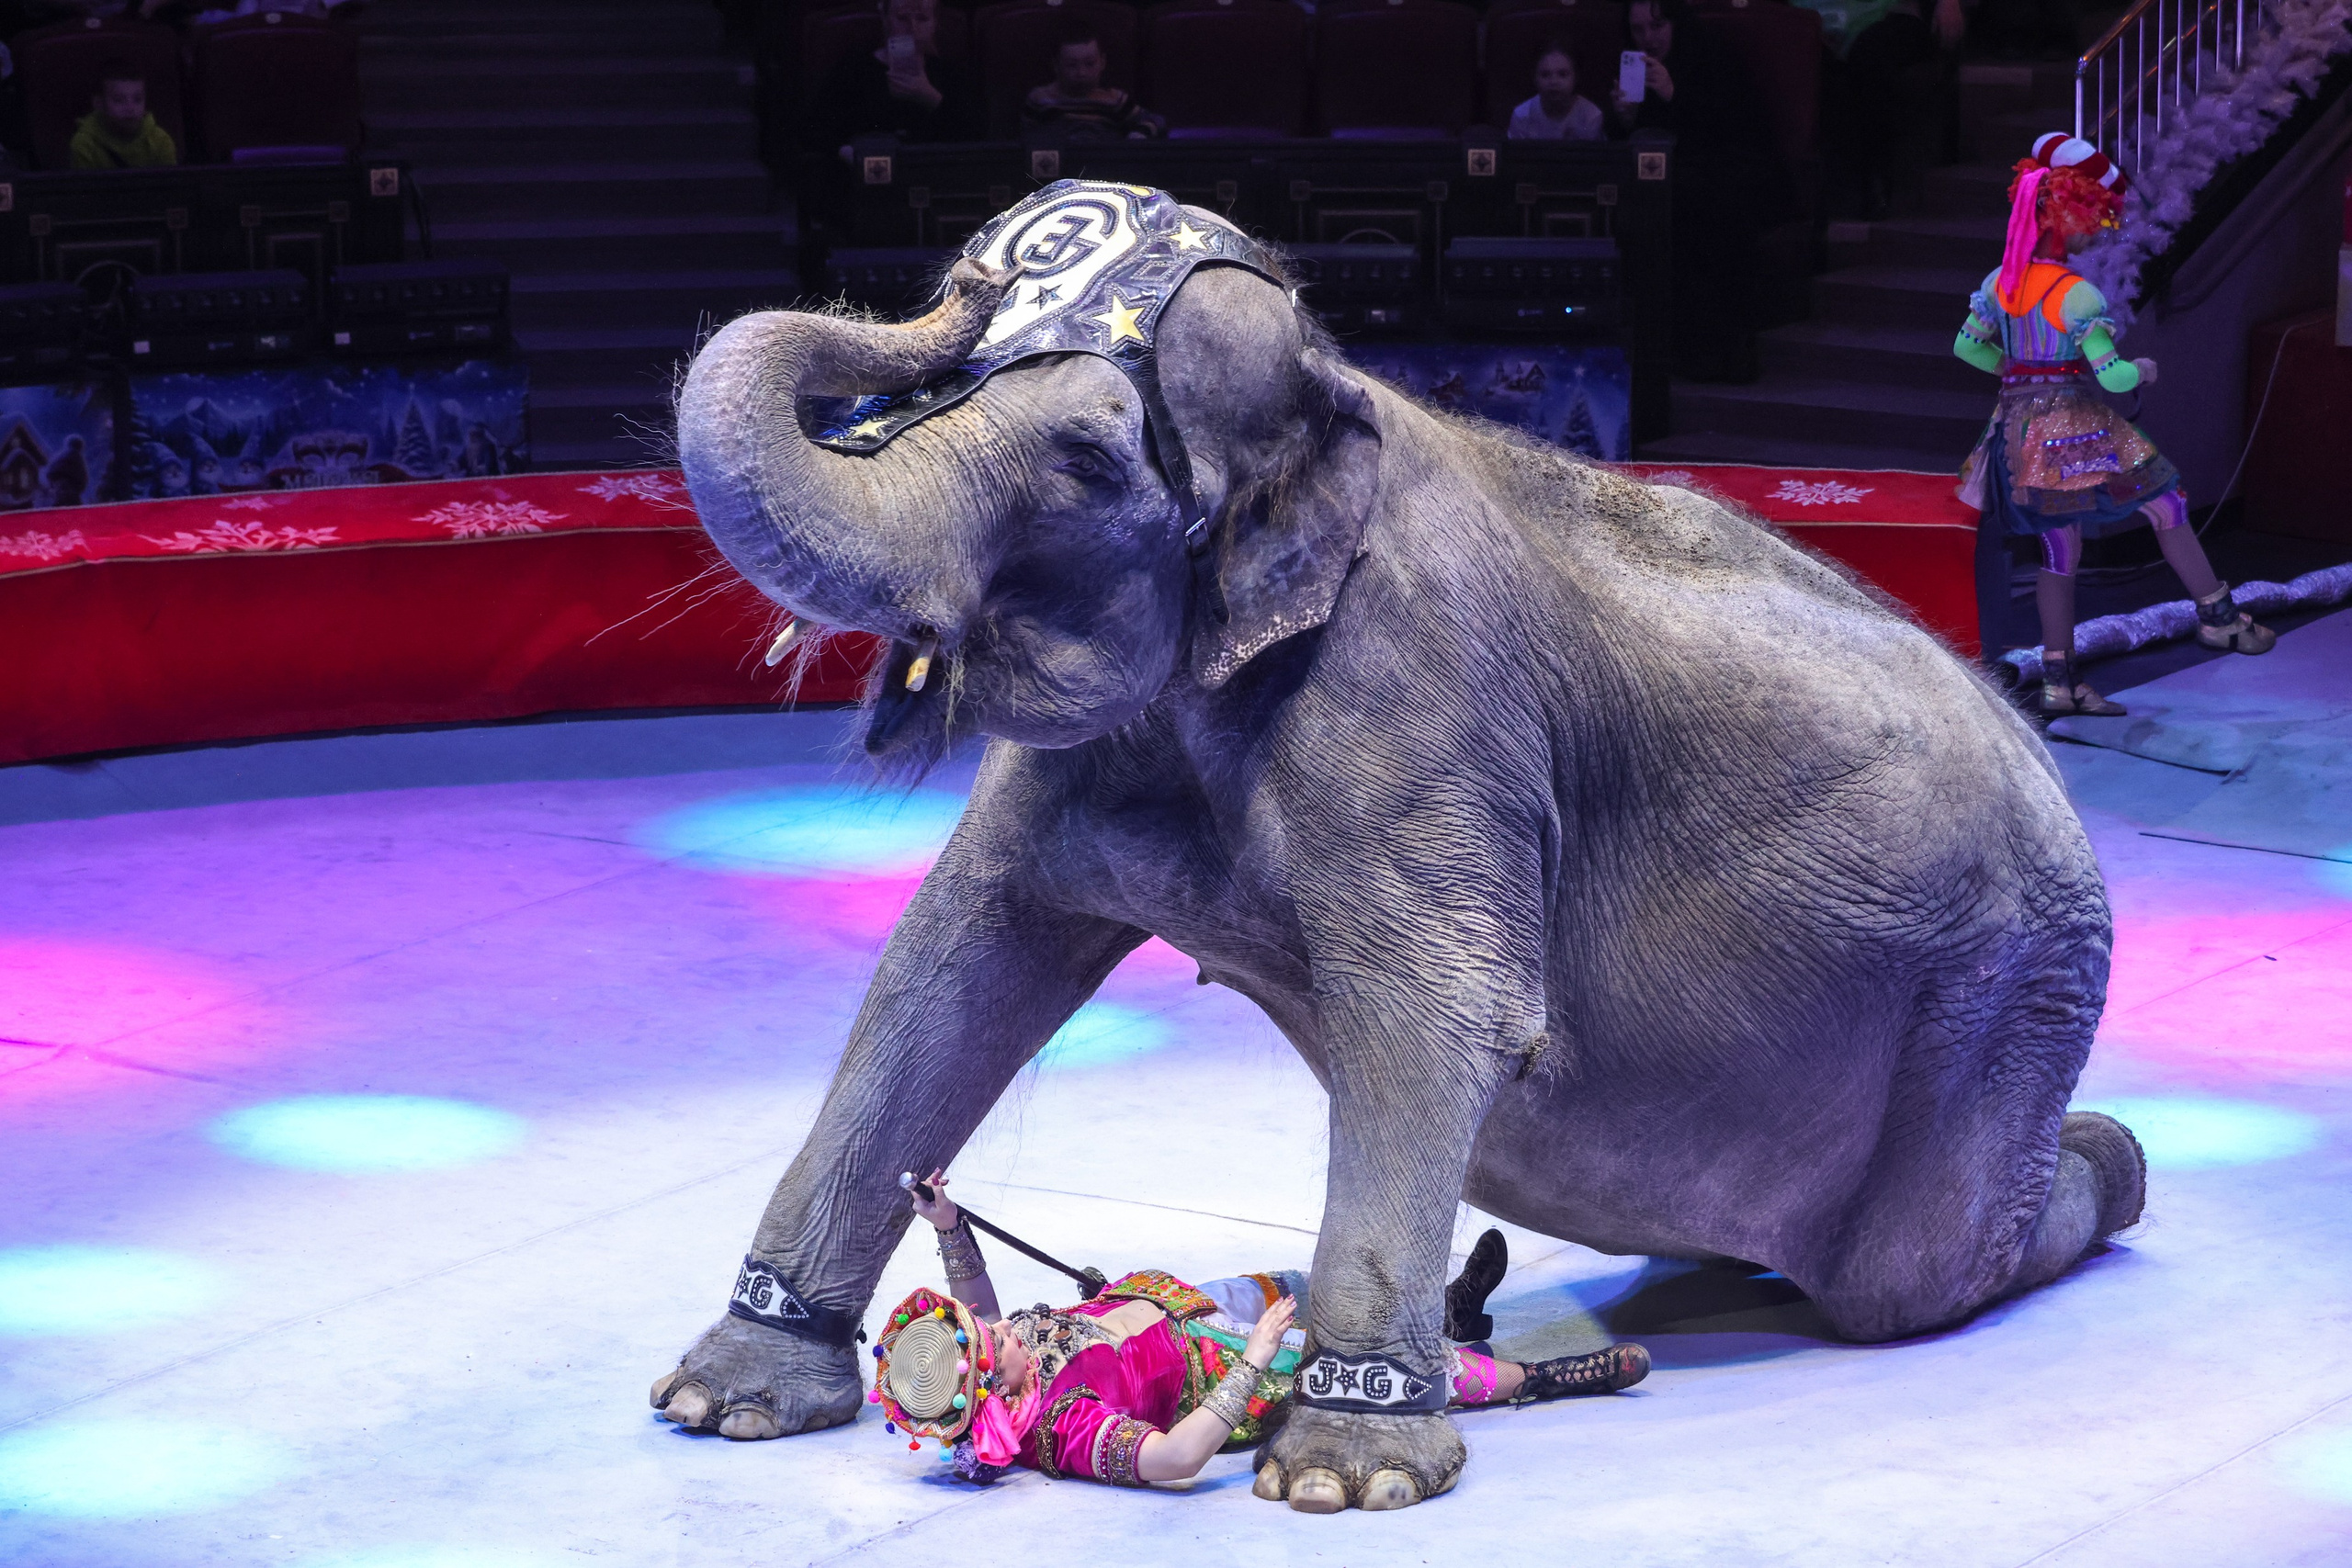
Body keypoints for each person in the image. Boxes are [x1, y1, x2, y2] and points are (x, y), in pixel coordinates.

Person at [876, 1169, 1652, 1489]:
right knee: (1380, 1363)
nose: (997, 1323)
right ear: (994, 1385)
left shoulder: (1001, 1355)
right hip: (1222, 1368)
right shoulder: (1065, 1428)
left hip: (1182, 1302)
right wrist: (1249, 1362)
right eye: (991, 1339)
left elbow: (974, 1303)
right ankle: (1545, 1376)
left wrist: (948, 1226)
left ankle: (1447, 1304)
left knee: (1331, 1284)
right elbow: (1176, 1458)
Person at [1954, 133, 2276, 717]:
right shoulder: (2075, 295)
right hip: (2075, 427)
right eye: (2091, 220)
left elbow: (1966, 348)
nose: (2096, 232)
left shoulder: (1998, 283)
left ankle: (2060, 679)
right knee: (2167, 502)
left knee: (2059, 548)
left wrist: (2019, 374)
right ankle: (2218, 617)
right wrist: (2144, 369)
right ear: (2067, 217)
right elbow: (2115, 378)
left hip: (2017, 432)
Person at [1608, 0, 1788, 382]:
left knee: (1702, 212)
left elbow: (1735, 131)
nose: (1648, 39)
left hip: (1726, 172)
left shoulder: (1712, 57)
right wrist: (1625, 119)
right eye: (1638, 30)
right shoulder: (1632, 67)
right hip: (1665, 179)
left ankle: (1713, 354)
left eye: (1656, 27)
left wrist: (1675, 94)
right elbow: (1632, 146)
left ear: (1675, 24)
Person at [808, 0, 982, 164]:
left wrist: (929, 96)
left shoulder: (950, 74)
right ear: (886, 19)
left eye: (922, 19)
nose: (912, 28)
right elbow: (817, 130)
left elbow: (976, 137)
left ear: (934, 24)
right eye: (902, 18)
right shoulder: (854, 68)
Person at [1021, 20, 1161, 140]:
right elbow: (1027, 141)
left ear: (1102, 62)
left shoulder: (1114, 100)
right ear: (1056, 65)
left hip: (1104, 165)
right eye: (1071, 65)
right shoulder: (1040, 100)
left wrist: (1138, 136)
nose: (1081, 73)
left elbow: (1155, 120)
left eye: (1089, 64)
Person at [69, 62, 175, 169]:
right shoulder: (85, 145)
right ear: (99, 104)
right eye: (119, 100)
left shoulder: (160, 141)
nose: (130, 108)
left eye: (137, 99)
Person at [1507, 39, 1606, 141]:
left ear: (1576, 77)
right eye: (1545, 75)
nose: (1554, 82)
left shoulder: (1590, 116)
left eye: (1563, 74)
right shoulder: (1521, 116)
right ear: (1535, 78)